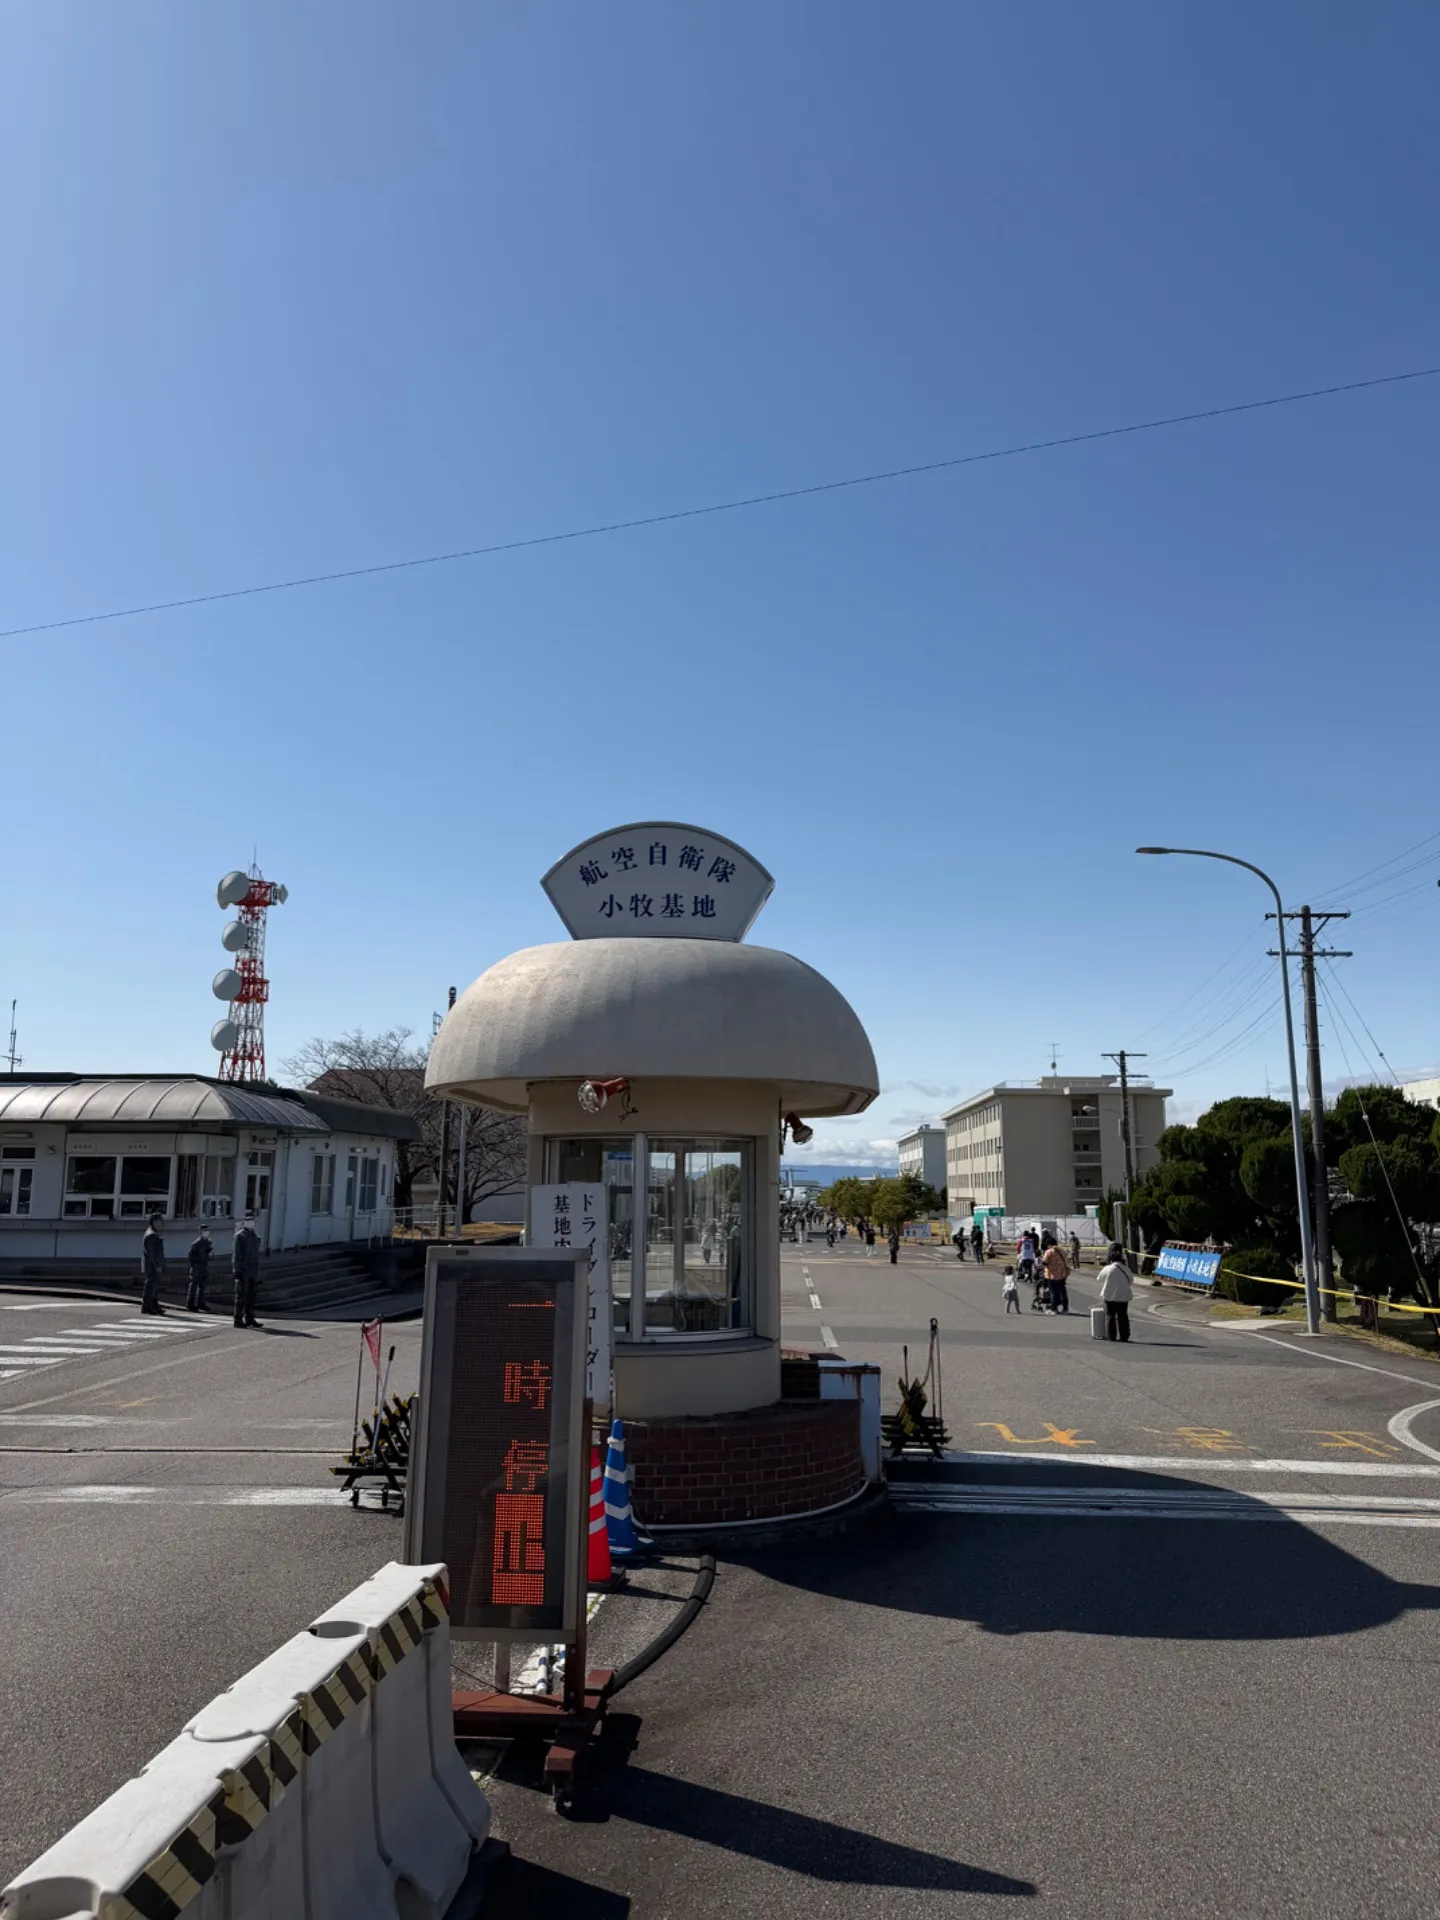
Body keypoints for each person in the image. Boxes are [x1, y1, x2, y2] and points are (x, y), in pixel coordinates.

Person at [1098, 1242, 1134, 1342]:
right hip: (1123, 1296)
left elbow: (1100, 1278)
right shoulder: (1126, 1269)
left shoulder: (1108, 1268)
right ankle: (1124, 1336)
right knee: (1123, 1316)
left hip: (1109, 1296)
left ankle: (1111, 1336)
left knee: (1110, 1316)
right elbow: (1131, 1281)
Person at [232, 1218, 262, 1330]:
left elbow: (256, 1256)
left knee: (252, 1296)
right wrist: (237, 1270)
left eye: (252, 1221)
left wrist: (258, 1272)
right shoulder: (240, 1236)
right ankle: (238, 1319)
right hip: (243, 1270)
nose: (251, 1223)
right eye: (248, 1221)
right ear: (244, 1222)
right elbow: (236, 1255)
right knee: (241, 1295)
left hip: (252, 1270)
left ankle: (250, 1318)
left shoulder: (255, 1236)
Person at [140, 1214, 167, 1316]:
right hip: (152, 1265)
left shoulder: (152, 1233)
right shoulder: (151, 1235)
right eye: (159, 1222)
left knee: (154, 1286)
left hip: (151, 1264)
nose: (161, 1224)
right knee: (151, 1286)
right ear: (154, 1222)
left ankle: (154, 1306)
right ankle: (147, 1307)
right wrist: (157, 1265)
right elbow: (152, 1253)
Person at [186, 1226, 213, 1313]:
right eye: (204, 1231)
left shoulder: (209, 1242)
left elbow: (209, 1254)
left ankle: (200, 1303)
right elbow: (191, 1255)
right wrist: (195, 1265)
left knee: (202, 1286)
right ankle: (190, 1304)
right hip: (197, 1266)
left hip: (204, 1265)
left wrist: (210, 1255)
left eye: (207, 1231)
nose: (206, 1232)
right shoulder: (197, 1243)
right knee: (194, 1285)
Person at [1042, 1240, 1071, 1315]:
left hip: (1052, 1274)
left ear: (1049, 1244)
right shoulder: (1062, 1250)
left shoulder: (1049, 1251)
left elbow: (1044, 1262)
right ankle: (1065, 1308)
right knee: (1062, 1291)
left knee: (1053, 1292)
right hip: (1062, 1274)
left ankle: (1054, 1308)